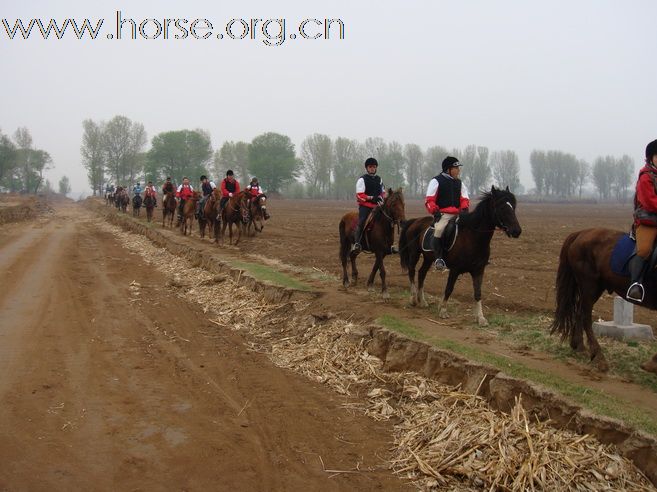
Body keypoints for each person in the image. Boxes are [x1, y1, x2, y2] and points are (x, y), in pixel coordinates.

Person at [424, 156, 470, 271]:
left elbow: (465, 198)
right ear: (448, 169)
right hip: (443, 214)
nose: (458, 170)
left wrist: (464, 208)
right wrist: (435, 211)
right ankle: (439, 258)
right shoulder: (436, 181)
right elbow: (429, 199)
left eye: (458, 168)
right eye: (456, 168)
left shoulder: (460, 183)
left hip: (459, 214)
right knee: (439, 229)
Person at [627, 139, 657, 302]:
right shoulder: (646, 177)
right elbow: (650, 202)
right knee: (645, 250)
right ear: (651, 158)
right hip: (648, 221)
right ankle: (635, 285)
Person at [352, 157, 386, 253]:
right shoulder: (362, 180)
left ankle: (388, 243)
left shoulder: (379, 179)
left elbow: (382, 192)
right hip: (365, 206)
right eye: (370, 167)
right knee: (362, 221)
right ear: (367, 168)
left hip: (377, 206)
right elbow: (359, 195)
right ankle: (357, 243)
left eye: (374, 167)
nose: (372, 169)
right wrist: (371, 198)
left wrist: (381, 198)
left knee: (388, 220)